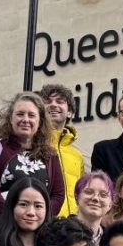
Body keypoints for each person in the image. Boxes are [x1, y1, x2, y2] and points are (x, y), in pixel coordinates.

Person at [0, 91, 65, 226]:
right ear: (11, 119)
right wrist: (12, 218)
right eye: (20, 114)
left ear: (39, 121)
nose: (25, 119)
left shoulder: (50, 155)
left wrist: (39, 220)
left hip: (37, 228)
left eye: (31, 115)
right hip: (0, 226)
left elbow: (58, 195)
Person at [40, 83, 85, 218]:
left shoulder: (77, 156)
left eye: (60, 102)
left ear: (70, 111)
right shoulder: (33, 146)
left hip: (73, 225)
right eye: (48, 102)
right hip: (44, 222)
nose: (53, 105)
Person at [74, 170, 116, 246]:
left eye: (103, 195)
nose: (95, 198)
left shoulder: (112, 243)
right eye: (89, 192)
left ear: (110, 204)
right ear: (77, 197)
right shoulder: (59, 234)